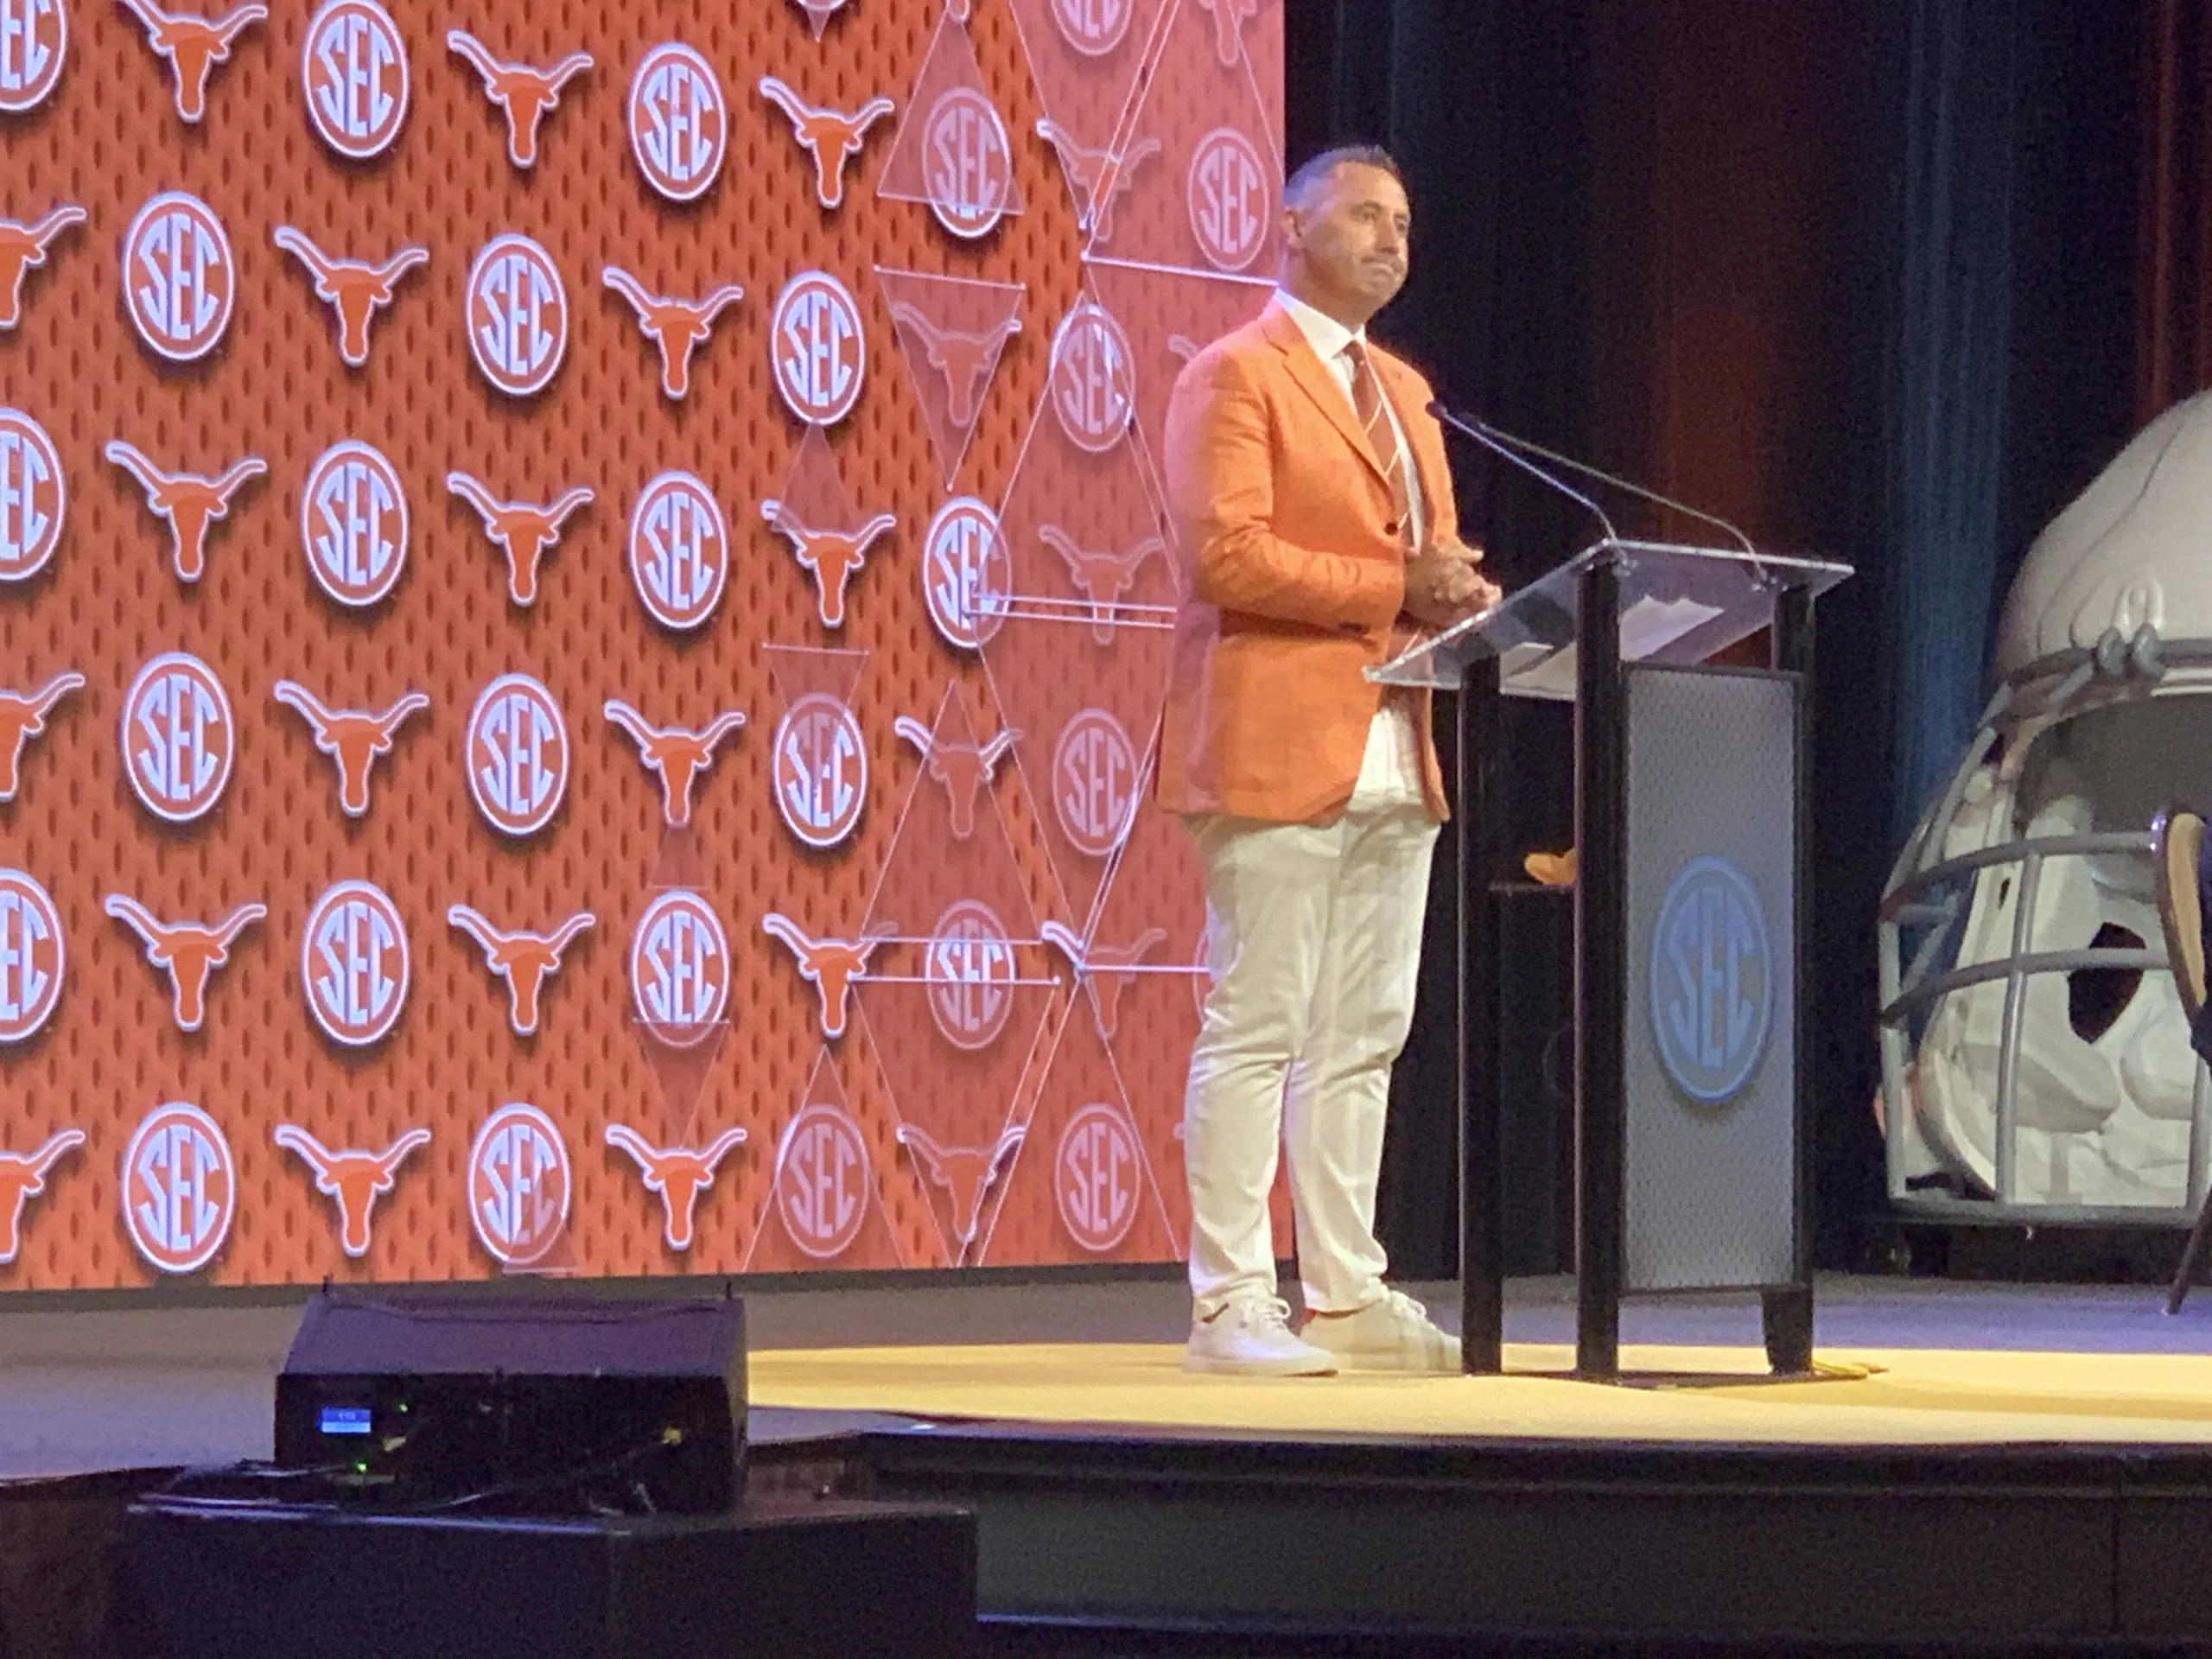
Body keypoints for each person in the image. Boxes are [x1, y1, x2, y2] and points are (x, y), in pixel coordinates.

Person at [1155, 143, 1499, 1376]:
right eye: (1362, 214)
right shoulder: (1233, 375)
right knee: (1260, 1019)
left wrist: (1466, 599)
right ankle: (1229, 1300)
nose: (1390, 238)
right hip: (1274, 735)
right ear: (1290, 227)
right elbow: (1226, 558)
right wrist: (1397, 586)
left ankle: (1347, 1292)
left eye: (1403, 221)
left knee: (1366, 1031)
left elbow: (1436, 560)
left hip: (1396, 747)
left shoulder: (1407, 393)